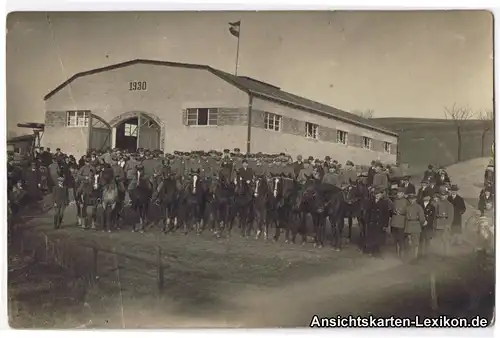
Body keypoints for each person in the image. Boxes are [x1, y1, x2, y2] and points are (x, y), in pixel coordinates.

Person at [364, 187, 392, 256]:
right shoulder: (371, 201)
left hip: (379, 222)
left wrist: (385, 224)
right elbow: (367, 211)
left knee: (378, 237)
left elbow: (386, 215)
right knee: (371, 236)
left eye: (378, 194)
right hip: (371, 221)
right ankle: (370, 250)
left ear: (381, 194)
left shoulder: (384, 202)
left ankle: (376, 251)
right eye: (375, 194)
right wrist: (367, 220)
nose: (377, 195)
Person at [404, 193, 426, 261]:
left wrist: (421, 224)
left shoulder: (419, 207)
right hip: (408, 226)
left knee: (416, 243)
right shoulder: (407, 207)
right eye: (410, 199)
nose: (411, 200)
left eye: (413, 199)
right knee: (409, 242)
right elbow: (405, 217)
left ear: (415, 199)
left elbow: (422, 218)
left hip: (416, 225)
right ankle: (410, 256)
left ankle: (415, 257)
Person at [433, 187, 454, 256]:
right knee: (438, 240)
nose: (443, 197)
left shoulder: (449, 205)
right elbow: (435, 215)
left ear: (447, 195)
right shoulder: (438, 204)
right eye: (441, 195)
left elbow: (450, 217)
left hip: (445, 224)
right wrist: (434, 224)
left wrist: (448, 225)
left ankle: (446, 255)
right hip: (438, 224)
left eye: (444, 195)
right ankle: (439, 254)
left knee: (445, 240)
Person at [389, 187, 408, 258]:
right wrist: (394, 211)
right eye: (397, 193)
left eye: (400, 193)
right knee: (395, 238)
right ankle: (397, 252)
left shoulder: (406, 201)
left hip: (401, 223)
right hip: (394, 222)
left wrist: (401, 212)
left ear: (403, 194)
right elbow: (391, 209)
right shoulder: (395, 201)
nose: (398, 194)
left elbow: (408, 211)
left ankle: (402, 253)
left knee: (401, 238)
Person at [419, 191, 436, 258]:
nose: (427, 198)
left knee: (427, 241)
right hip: (421, 225)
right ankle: (420, 254)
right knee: (421, 240)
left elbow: (432, 217)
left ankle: (427, 255)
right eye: (425, 196)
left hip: (428, 226)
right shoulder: (420, 205)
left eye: (428, 196)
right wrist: (422, 222)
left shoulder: (432, 207)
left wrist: (427, 222)